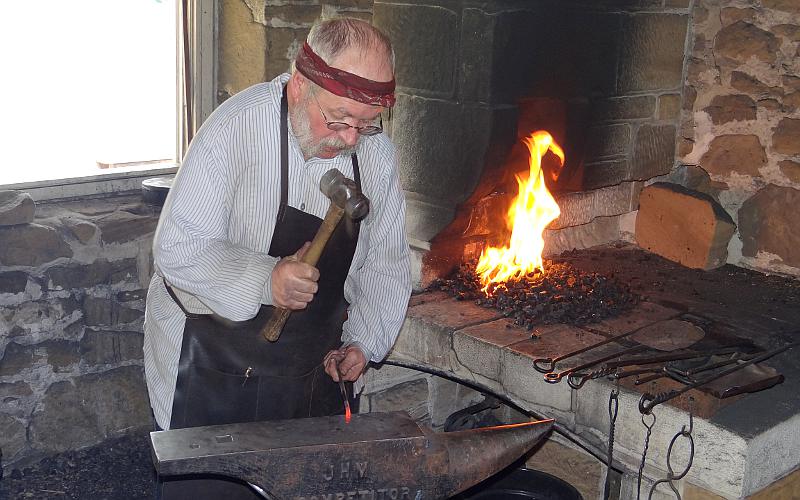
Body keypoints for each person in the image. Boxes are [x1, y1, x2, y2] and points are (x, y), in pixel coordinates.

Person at [143, 17, 411, 499]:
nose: (350, 138)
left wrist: (365, 341)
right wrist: (265, 279)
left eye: (365, 125)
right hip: (213, 363)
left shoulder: (373, 156)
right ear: (299, 87)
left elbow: (387, 261)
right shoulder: (235, 127)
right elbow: (177, 247)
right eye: (337, 119)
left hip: (304, 373)